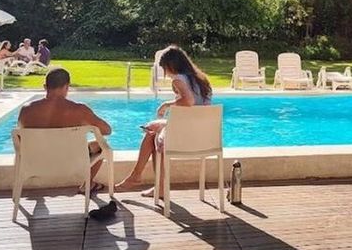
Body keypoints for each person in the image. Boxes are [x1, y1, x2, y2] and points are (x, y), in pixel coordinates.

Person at [115, 46, 212, 196]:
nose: (166, 73)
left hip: (183, 138)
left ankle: (138, 177)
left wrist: (167, 104)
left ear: (171, 65)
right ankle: (149, 183)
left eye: (165, 68)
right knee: (152, 130)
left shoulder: (179, 80)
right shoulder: (202, 80)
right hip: (202, 138)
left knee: (151, 133)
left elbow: (189, 101)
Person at [17, 67, 113, 193]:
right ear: (67, 87)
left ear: (45, 87)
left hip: (36, 162)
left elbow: (20, 139)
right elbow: (107, 130)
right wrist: (87, 126)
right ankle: (88, 184)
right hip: (71, 162)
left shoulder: (26, 110)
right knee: (101, 145)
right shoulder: (79, 110)